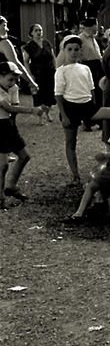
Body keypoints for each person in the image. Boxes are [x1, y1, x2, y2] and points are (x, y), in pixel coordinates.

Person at [55, 36, 110, 184]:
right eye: (70, 49)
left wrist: (94, 106)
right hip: (70, 107)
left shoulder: (85, 68)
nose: (73, 52)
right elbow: (58, 95)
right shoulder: (61, 71)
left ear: (80, 51)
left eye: (76, 49)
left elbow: (92, 89)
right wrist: (64, 115)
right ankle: (75, 175)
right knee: (71, 141)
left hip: (87, 105)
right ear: (64, 51)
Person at [0, 62, 43, 208]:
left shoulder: (12, 88)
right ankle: (0, 198)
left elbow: (14, 108)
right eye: (10, 79)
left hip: (8, 125)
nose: (13, 83)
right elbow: (9, 107)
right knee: (3, 164)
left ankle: (11, 186)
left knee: (24, 156)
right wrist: (31, 110)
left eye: (15, 79)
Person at [22, 23, 56, 124]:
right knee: (39, 95)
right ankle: (40, 117)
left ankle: (47, 113)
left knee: (50, 94)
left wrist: (56, 68)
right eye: (36, 30)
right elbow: (26, 61)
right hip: (37, 73)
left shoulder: (46, 43)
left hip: (49, 72)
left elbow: (53, 56)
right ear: (31, 33)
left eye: (40, 30)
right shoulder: (29, 46)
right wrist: (29, 74)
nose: (38, 32)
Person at [0, 16, 39, 95]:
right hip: (6, 84)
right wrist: (31, 82)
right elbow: (16, 64)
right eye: (4, 25)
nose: (7, 29)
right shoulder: (4, 43)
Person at [79, 18, 106, 109]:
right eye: (96, 25)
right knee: (91, 88)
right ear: (91, 26)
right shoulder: (81, 39)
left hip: (98, 65)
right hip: (88, 65)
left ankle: (99, 106)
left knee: (100, 87)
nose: (97, 28)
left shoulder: (93, 38)